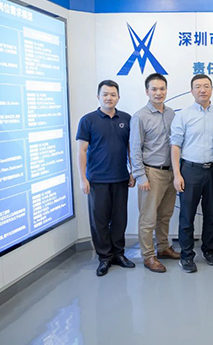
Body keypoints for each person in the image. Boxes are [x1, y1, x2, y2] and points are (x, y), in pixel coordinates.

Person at [76, 80, 136, 277]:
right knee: (99, 220)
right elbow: (82, 151)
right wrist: (83, 178)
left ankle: (119, 254)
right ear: (98, 97)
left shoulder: (126, 119)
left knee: (119, 219)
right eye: (105, 94)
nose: (109, 98)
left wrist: (132, 171)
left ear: (118, 97)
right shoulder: (88, 120)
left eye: (113, 94)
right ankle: (104, 257)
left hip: (120, 178)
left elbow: (130, 148)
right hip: (97, 179)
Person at [171, 74, 213, 273]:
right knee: (187, 216)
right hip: (190, 170)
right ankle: (186, 255)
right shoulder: (183, 115)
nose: (202, 90)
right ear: (191, 90)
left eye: (206, 86)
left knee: (211, 215)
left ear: (211, 89)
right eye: (198, 86)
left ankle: (209, 250)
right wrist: (177, 174)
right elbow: (175, 146)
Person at [130, 73, 179, 273]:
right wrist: (140, 176)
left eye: (162, 89)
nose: (158, 93)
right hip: (151, 173)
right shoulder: (140, 116)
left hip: (170, 172)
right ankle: (148, 256)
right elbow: (134, 148)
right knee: (148, 218)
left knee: (165, 214)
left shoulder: (171, 113)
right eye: (154, 89)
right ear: (147, 91)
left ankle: (163, 247)